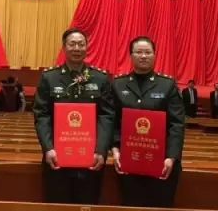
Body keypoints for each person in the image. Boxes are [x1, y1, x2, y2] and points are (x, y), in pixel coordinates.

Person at [32, 27, 114, 205]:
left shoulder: (100, 78)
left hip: (91, 158)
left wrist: (101, 150)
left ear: (86, 47)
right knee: (57, 204)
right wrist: (48, 148)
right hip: (57, 157)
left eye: (81, 44)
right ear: (64, 47)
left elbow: (106, 116)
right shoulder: (50, 77)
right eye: (72, 44)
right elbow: (41, 115)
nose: (77, 48)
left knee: (87, 204)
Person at [111, 36, 185, 208]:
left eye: (148, 52)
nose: (143, 56)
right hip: (128, 161)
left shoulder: (167, 85)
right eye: (139, 52)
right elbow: (113, 121)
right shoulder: (118, 84)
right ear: (131, 55)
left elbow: (176, 124)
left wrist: (171, 157)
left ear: (154, 55)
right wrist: (115, 150)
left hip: (162, 163)